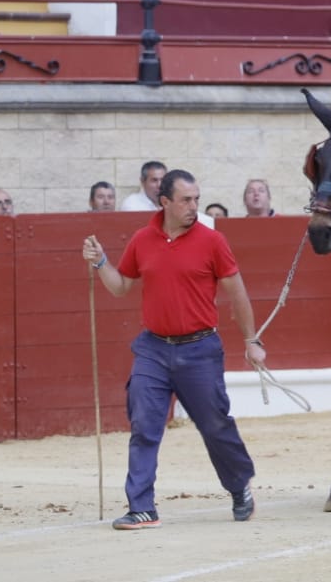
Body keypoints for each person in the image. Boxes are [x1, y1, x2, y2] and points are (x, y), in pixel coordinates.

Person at [81, 169, 265, 530]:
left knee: (214, 425)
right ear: (164, 202)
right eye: (186, 200)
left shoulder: (211, 241)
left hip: (199, 349)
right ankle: (142, 506)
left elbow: (237, 292)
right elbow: (121, 287)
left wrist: (251, 339)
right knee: (144, 425)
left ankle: (238, 484)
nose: (194, 206)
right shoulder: (142, 239)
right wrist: (101, 262)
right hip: (152, 347)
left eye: (197, 198)